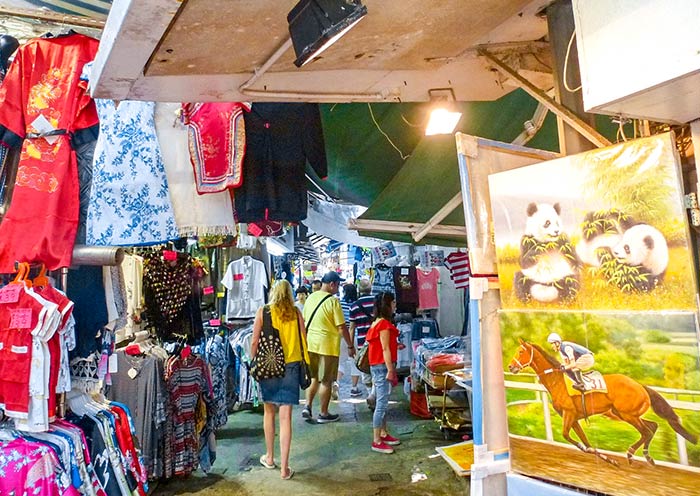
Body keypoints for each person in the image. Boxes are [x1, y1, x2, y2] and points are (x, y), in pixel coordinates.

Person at [251, 280, 308, 480]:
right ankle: (284, 469)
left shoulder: (263, 311)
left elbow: (255, 340)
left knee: (269, 412)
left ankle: (270, 457)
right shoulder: (296, 313)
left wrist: (252, 361)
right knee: (286, 418)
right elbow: (304, 338)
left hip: (269, 365)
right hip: (292, 366)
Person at [302, 271, 355, 423]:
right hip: (328, 346)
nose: (338, 289)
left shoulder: (310, 298)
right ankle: (323, 414)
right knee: (326, 381)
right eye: (338, 285)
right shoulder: (333, 301)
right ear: (332, 284)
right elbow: (341, 327)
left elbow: (304, 321)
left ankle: (307, 406)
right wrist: (350, 345)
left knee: (313, 378)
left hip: (311, 345)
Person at [365, 292, 400, 454]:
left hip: (377, 365)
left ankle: (383, 433)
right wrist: (391, 370)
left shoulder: (376, 323)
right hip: (382, 367)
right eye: (392, 303)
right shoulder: (384, 324)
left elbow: (383, 346)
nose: (395, 306)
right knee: (381, 404)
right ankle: (376, 440)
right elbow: (385, 348)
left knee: (382, 402)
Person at [349, 279, 374, 399]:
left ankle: (370, 393)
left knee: (365, 368)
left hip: (362, 343)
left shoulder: (354, 306)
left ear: (359, 290)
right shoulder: (377, 302)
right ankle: (374, 394)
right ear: (371, 289)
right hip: (378, 341)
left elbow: (352, 328)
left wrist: (350, 346)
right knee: (378, 369)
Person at [334, 283, 358, 399]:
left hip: (341, 335)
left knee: (340, 362)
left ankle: (337, 383)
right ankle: (354, 388)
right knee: (355, 362)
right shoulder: (356, 305)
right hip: (355, 335)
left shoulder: (339, 304)